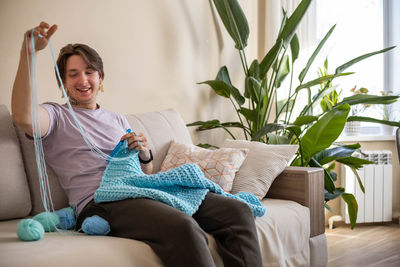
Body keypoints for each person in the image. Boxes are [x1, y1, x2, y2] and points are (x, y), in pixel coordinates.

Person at [11, 21, 263, 267]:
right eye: (73, 74)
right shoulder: (55, 115)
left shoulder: (117, 119)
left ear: (101, 77)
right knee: (183, 226)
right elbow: (23, 116)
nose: (83, 80)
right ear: (62, 83)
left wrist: (142, 153)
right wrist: (28, 54)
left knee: (237, 212)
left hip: (138, 189)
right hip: (101, 202)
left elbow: (145, 173)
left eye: (89, 72)